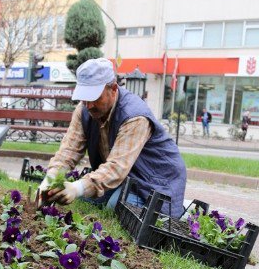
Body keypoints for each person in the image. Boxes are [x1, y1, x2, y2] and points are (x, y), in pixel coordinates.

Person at [39, 58, 187, 218]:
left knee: (113, 208)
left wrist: (76, 188)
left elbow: (117, 168)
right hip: (126, 180)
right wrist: (50, 179)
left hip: (154, 183)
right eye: (84, 97)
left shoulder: (134, 116)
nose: (89, 105)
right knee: (89, 200)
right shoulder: (84, 110)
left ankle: (180, 212)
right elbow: (69, 150)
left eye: (94, 97)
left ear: (113, 89)